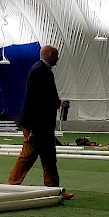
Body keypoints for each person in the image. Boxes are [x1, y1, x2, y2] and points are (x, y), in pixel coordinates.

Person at [8, 45, 73, 199]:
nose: (58, 58)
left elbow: (45, 96)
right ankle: (11, 186)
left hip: (44, 125)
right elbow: (33, 100)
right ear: (50, 54)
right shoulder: (39, 70)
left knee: (50, 157)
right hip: (37, 124)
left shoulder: (43, 70)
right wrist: (31, 127)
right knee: (28, 156)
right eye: (56, 55)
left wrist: (58, 102)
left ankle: (54, 190)